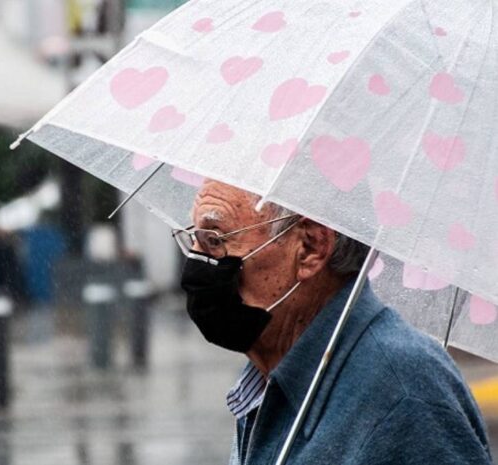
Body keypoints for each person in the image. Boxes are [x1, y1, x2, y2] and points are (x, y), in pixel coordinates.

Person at [174, 180, 492, 464]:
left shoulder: (403, 392)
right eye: (194, 240)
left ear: (311, 247)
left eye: (214, 239)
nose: (195, 260)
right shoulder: (271, 373)